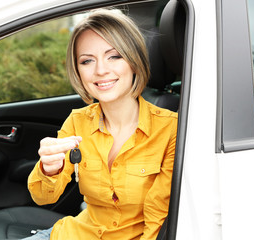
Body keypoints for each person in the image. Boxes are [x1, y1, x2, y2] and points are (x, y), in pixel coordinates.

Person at [27, 8, 177, 240]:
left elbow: (159, 219)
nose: (100, 70)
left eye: (114, 56)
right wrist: (49, 169)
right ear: (78, 70)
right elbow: (43, 197)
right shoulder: (77, 121)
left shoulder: (170, 130)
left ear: (134, 61)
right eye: (87, 61)